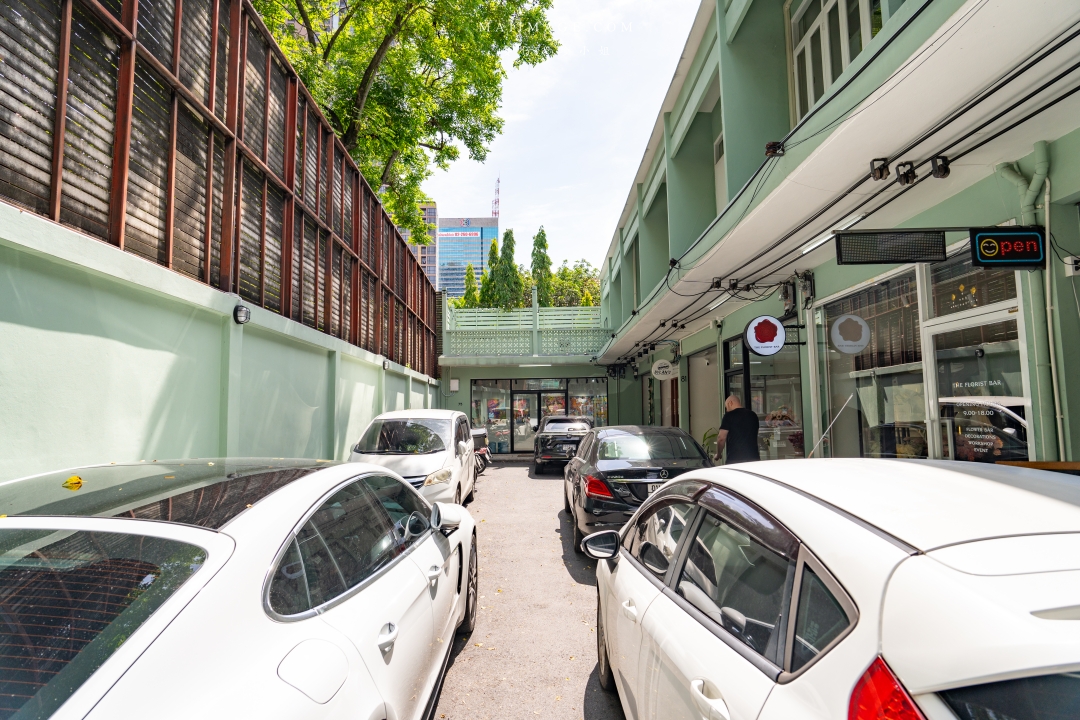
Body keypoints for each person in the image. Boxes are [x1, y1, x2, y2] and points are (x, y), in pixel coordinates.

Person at [715, 395, 761, 464]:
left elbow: (721, 438)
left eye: (726, 407)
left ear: (730, 403)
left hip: (735, 458)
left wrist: (718, 454)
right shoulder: (753, 415)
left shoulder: (729, 416)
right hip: (753, 457)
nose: (727, 409)